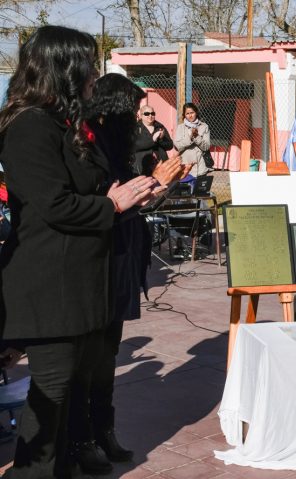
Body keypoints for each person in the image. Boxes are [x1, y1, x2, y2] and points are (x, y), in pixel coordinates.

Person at [0, 25, 155, 478]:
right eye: (88, 64)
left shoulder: (63, 124)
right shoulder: (28, 125)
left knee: (68, 390)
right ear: (62, 67)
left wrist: (123, 196)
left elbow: (83, 190)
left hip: (80, 280)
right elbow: (54, 204)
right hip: (51, 282)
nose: (94, 74)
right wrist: (113, 202)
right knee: (50, 389)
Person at [64, 73, 188, 475]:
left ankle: (104, 430)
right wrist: (153, 183)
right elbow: (106, 201)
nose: (141, 119)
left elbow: (136, 201)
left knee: (108, 352)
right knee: (89, 355)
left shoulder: (121, 143)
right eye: (134, 110)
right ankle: (81, 438)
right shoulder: (88, 144)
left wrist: (161, 184)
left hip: (124, 252)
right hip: (97, 257)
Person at [133, 104, 174, 176]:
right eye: (146, 114)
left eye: (152, 113)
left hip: (160, 164)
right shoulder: (136, 128)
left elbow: (170, 146)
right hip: (142, 165)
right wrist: (153, 140)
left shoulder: (160, 127)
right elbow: (136, 145)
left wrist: (161, 139)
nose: (150, 116)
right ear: (141, 115)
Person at [174, 102, 211, 178]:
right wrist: (190, 138)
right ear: (184, 115)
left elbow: (206, 147)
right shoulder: (180, 127)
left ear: (196, 113)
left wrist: (196, 137)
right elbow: (177, 146)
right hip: (185, 167)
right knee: (186, 190)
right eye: (187, 113)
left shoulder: (204, 126)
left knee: (200, 189)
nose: (190, 115)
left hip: (200, 167)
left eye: (192, 112)